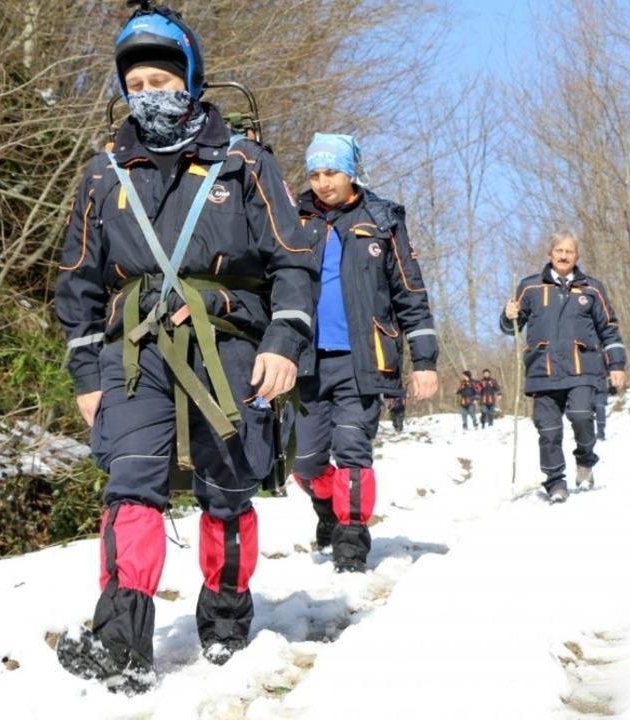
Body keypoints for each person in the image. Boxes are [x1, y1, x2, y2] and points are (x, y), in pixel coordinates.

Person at [53, 4, 317, 692]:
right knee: (129, 486)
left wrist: (285, 341)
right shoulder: (103, 174)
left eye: (160, 78)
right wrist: (86, 372)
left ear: (190, 79)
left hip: (228, 342)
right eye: (134, 82)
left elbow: (293, 259)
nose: (147, 93)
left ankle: (227, 621)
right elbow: (77, 279)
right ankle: (121, 644)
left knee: (227, 489)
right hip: (132, 349)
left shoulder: (245, 164)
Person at [291, 133, 438, 573]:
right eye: (314, 174)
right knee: (306, 462)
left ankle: (352, 543)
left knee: (353, 449)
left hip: (365, 357)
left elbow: (410, 290)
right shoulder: (293, 219)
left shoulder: (382, 219)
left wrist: (424, 361)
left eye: (331, 172)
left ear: (351, 172)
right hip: (305, 361)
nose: (322, 182)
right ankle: (329, 512)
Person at [501, 231, 626, 503]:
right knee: (548, 431)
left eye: (569, 251)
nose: (563, 255)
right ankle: (555, 482)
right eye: (559, 250)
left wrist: (617, 364)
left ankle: (585, 459)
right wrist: (507, 314)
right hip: (542, 370)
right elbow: (512, 327)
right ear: (550, 254)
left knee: (582, 416)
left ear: (576, 257)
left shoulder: (592, 289)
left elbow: (609, 328)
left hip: (583, 368)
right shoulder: (530, 287)